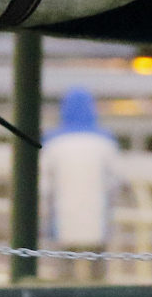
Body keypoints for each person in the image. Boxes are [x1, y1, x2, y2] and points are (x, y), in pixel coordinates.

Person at [40, 87, 119, 273]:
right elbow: (115, 182)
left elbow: (44, 186)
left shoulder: (53, 143)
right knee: (98, 270)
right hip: (98, 218)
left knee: (65, 270)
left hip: (62, 219)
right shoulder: (105, 142)